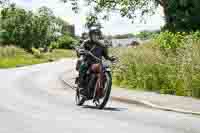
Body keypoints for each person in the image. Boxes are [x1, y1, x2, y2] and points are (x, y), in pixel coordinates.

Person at [76, 27, 115, 97]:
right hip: (88, 61)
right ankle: (81, 86)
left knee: (104, 71)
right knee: (83, 66)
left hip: (97, 63)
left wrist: (110, 58)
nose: (96, 36)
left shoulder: (102, 45)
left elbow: (106, 56)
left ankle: (101, 90)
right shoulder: (86, 42)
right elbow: (80, 49)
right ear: (90, 35)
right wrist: (80, 51)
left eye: (97, 35)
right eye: (94, 35)